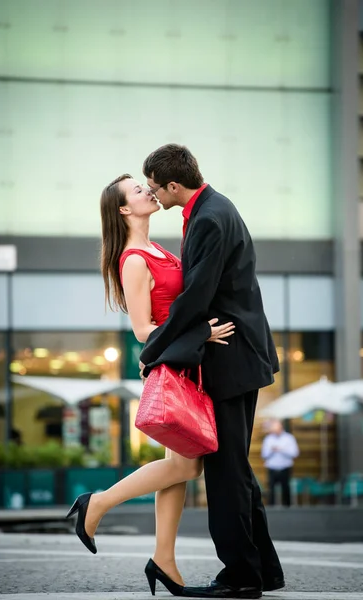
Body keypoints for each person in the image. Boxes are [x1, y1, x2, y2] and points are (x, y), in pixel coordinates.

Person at [66, 173, 234, 596]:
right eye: (139, 191)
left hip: (183, 365)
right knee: (187, 465)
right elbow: (143, 330)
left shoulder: (155, 248)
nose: (149, 191)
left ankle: (164, 559)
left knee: (177, 470)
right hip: (174, 366)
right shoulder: (135, 260)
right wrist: (201, 333)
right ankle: (98, 502)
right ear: (125, 209)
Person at [139, 144, 284, 599]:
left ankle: (241, 577)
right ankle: (264, 571)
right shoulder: (214, 208)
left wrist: (154, 351)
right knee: (235, 467)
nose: (153, 195)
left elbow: (196, 296)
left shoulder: (208, 218)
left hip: (232, 359)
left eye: (156, 187)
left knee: (225, 472)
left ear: (174, 185)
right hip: (239, 354)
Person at [261, 419, 299, 507]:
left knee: (286, 487)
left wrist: (282, 449)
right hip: (272, 467)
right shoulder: (268, 439)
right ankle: (271, 507)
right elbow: (264, 455)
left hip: (285, 467)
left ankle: (287, 507)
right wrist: (272, 450)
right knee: (271, 488)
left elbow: (295, 453)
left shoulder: (289, 438)